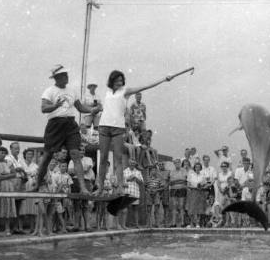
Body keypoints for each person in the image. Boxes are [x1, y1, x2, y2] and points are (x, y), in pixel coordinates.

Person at [93, 69, 171, 199]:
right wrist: (95, 109)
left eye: (121, 80)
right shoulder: (106, 93)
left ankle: (119, 188)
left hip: (118, 127)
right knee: (103, 158)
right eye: (117, 80)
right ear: (111, 81)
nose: (119, 82)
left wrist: (163, 79)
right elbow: (105, 108)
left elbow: (145, 86)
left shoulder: (125, 91)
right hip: (104, 127)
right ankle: (100, 188)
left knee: (118, 158)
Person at [34, 65, 94, 196]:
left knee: (75, 154)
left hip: (70, 124)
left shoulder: (72, 90)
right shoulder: (49, 91)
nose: (66, 77)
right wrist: (55, 105)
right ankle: (37, 183)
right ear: (57, 77)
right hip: (55, 124)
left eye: (67, 74)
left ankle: (83, 188)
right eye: (63, 75)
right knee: (47, 156)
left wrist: (92, 110)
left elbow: (80, 107)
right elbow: (43, 108)